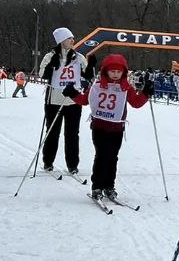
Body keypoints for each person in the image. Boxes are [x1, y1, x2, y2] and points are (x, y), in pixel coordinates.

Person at [65, 53, 148, 201]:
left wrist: (146, 93)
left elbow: (136, 103)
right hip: (99, 127)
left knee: (112, 157)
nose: (115, 74)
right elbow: (84, 100)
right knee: (101, 156)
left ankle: (109, 186)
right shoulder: (97, 86)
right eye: (112, 71)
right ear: (106, 71)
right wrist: (72, 93)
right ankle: (97, 186)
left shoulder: (126, 88)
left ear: (123, 72)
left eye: (118, 72)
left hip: (117, 129)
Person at [37, 28, 88, 175]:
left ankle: (72, 165)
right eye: (69, 38)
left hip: (73, 101)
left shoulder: (78, 57)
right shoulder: (50, 56)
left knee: (72, 134)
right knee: (52, 132)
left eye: (72, 38)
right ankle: (48, 162)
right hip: (54, 100)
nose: (72, 41)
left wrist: (87, 72)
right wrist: (51, 66)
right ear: (61, 41)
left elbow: (87, 74)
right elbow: (42, 74)